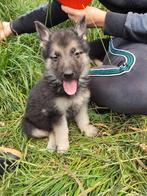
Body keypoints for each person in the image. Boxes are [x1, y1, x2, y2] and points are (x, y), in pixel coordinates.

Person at [1, 0, 147, 114]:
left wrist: (105, 20)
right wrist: (13, 27)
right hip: (133, 39)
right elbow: (67, 6)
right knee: (138, 92)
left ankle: (97, 56)